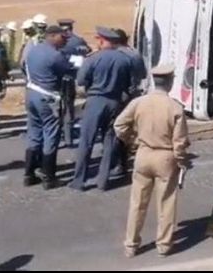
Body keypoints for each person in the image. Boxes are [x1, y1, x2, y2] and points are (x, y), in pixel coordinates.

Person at [114, 63, 190, 258]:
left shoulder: (139, 102)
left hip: (143, 153)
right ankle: (164, 245)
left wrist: (132, 141)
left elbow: (119, 125)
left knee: (137, 202)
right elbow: (179, 142)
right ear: (171, 82)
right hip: (165, 157)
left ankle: (131, 245)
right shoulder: (175, 107)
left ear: (154, 81)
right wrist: (182, 161)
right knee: (166, 202)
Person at [69, 27, 134, 192]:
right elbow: (131, 84)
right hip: (114, 101)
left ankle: (79, 180)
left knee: (86, 141)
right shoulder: (125, 59)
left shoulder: (93, 59)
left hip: (95, 101)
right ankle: (103, 181)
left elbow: (82, 80)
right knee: (109, 140)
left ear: (102, 40)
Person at [23, 25, 72, 189]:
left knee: (34, 133)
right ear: (52, 36)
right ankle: (49, 176)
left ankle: (29, 174)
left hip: (32, 94)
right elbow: (68, 71)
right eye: (62, 37)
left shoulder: (33, 51)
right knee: (51, 135)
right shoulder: (55, 55)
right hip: (48, 97)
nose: (65, 40)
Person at [111, 28, 148, 179]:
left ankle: (120, 163)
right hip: (135, 95)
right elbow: (144, 74)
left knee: (119, 128)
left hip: (122, 96)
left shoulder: (118, 55)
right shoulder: (135, 53)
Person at [58, 18, 90, 148]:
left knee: (59, 108)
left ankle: (58, 135)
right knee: (68, 108)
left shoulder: (57, 41)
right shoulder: (78, 41)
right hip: (72, 78)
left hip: (58, 78)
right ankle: (68, 137)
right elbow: (86, 52)